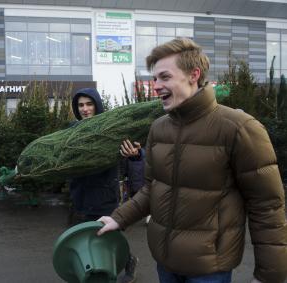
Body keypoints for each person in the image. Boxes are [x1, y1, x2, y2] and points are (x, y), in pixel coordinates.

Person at [97, 38, 287, 283]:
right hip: (165, 263)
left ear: (193, 74)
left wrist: (270, 275)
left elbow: (267, 206)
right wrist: (119, 218)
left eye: (164, 77)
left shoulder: (238, 128)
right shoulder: (158, 129)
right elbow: (152, 188)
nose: (156, 86)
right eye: (155, 78)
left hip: (209, 269)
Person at [69, 87, 142, 283]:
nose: (85, 109)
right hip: (80, 192)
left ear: (97, 105)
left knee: (109, 233)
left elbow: (134, 152)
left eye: (89, 104)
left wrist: (135, 154)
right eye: (81, 105)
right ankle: (93, 269)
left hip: (104, 194)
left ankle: (129, 261)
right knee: (85, 235)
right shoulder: (71, 130)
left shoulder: (112, 129)